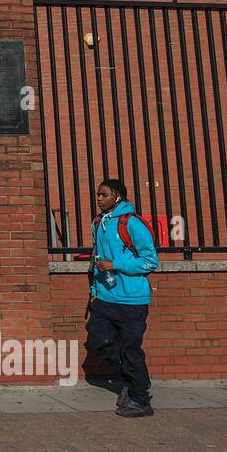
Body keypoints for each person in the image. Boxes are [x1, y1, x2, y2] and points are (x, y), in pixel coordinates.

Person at [85, 178, 160, 418]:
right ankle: (131, 381)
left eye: (104, 195)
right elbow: (97, 261)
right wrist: (95, 292)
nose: (99, 199)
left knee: (130, 350)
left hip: (132, 300)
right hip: (106, 297)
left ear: (117, 196)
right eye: (97, 194)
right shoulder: (98, 222)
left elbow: (150, 261)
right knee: (98, 340)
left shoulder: (132, 223)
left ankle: (140, 398)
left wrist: (116, 264)